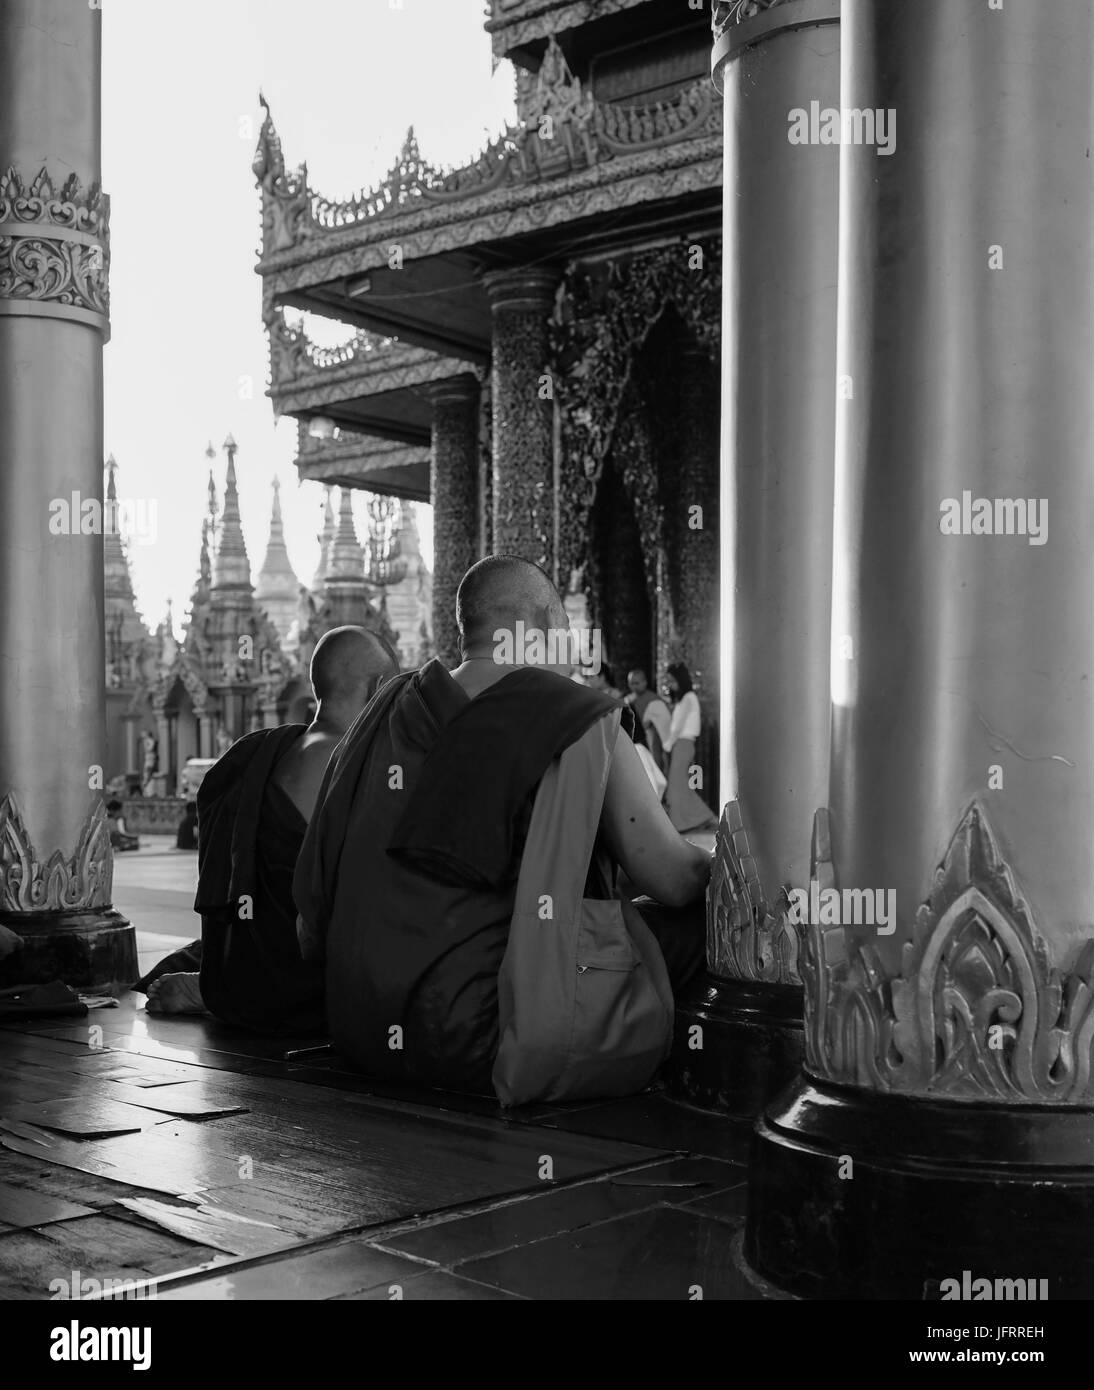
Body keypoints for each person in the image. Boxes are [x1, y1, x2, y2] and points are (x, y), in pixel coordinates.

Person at [294, 554, 711, 1097]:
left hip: (360, 1030)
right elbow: (673, 878)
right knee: (702, 928)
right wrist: (721, 864)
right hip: (486, 1040)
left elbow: (312, 912)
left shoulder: (380, 712)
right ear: (542, 630)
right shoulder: (579, 717)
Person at [140, 626, 398, 1033]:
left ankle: (221, 984)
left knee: (200, 953)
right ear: (380, 687)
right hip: (312, 975)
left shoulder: (263, 751)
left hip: (248, 953)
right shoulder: (356, 759)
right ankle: (226, 989)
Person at [662, 661, 717, 833]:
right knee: (680, 785)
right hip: (683, 744)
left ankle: (688, 822)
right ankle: (699, 818)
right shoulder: (685, 699)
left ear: (680, 679)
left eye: (672, 680)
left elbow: (678, 725)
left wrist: (668, 743)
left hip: (683, 743)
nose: (670, 684)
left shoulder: (688, 698)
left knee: (676, 786)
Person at [626, 668, 671, 771]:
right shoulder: (629, 699)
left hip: (653, 745)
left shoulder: (654, 701)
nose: (634, 687)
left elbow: (666, 731)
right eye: (631, 684)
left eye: (637, 683)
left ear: (644, 682)